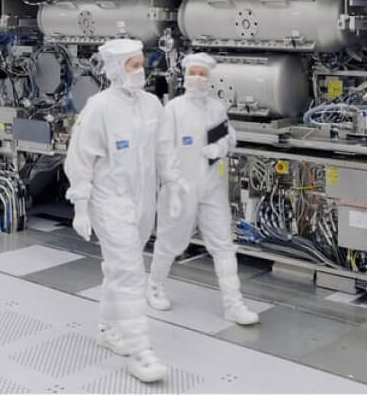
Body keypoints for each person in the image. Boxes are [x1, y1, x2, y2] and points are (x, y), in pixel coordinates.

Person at [64, 38, 184, 383]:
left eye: (142, 64)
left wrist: (174, 186)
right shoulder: (98, 107)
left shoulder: (151, 106)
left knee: (118, 270)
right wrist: (81, 206)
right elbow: (80, 158)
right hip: (109, 200)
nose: (141, 71)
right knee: (131, 273)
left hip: (142, 201)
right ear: (116, 69)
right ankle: (139, 352)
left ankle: (107, 327)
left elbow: (165, 150)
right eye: (133, 65)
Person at [147, 51, 259, 326]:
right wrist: (172, 183)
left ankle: (234, 304)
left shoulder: (216, 108)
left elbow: (229, 137)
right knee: (170, 242)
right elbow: (163, 149)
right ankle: (153, 286)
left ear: (210, 78)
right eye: (193, 73)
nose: (197, 78)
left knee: (223, 244)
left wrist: (220, 147)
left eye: (202, 74)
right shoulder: (173, 109)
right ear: (185, 77)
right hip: (180, 187)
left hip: (211, 186)